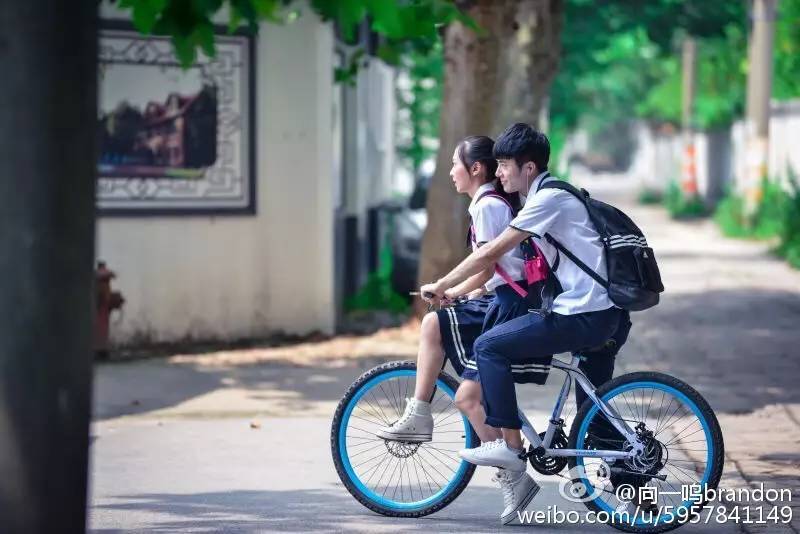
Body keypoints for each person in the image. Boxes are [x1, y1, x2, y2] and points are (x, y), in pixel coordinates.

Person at [420, 123, 631, 520]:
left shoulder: (546, 200)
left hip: (585, 315)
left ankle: (510, 447)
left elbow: (490, 255)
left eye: (504, 165)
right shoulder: (550, 195)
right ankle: (635, 487)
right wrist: (472, 292)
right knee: (594, 414)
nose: (499, 173)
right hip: (601, 314)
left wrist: (443, 284)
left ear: (528, 167)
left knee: (489, 345)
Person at [376, 135, 542, 524]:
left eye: (455, 163)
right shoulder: (489, 204)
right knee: (435, 323)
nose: (450, 171)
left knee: (468, 397)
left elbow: (487, 266)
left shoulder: (487, 205)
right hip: (500, 300)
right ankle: (419, 412)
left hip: (508, 306)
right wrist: (455, 294)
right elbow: (493, 272)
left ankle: (511, 469)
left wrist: (448, 288)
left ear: (475, 169)